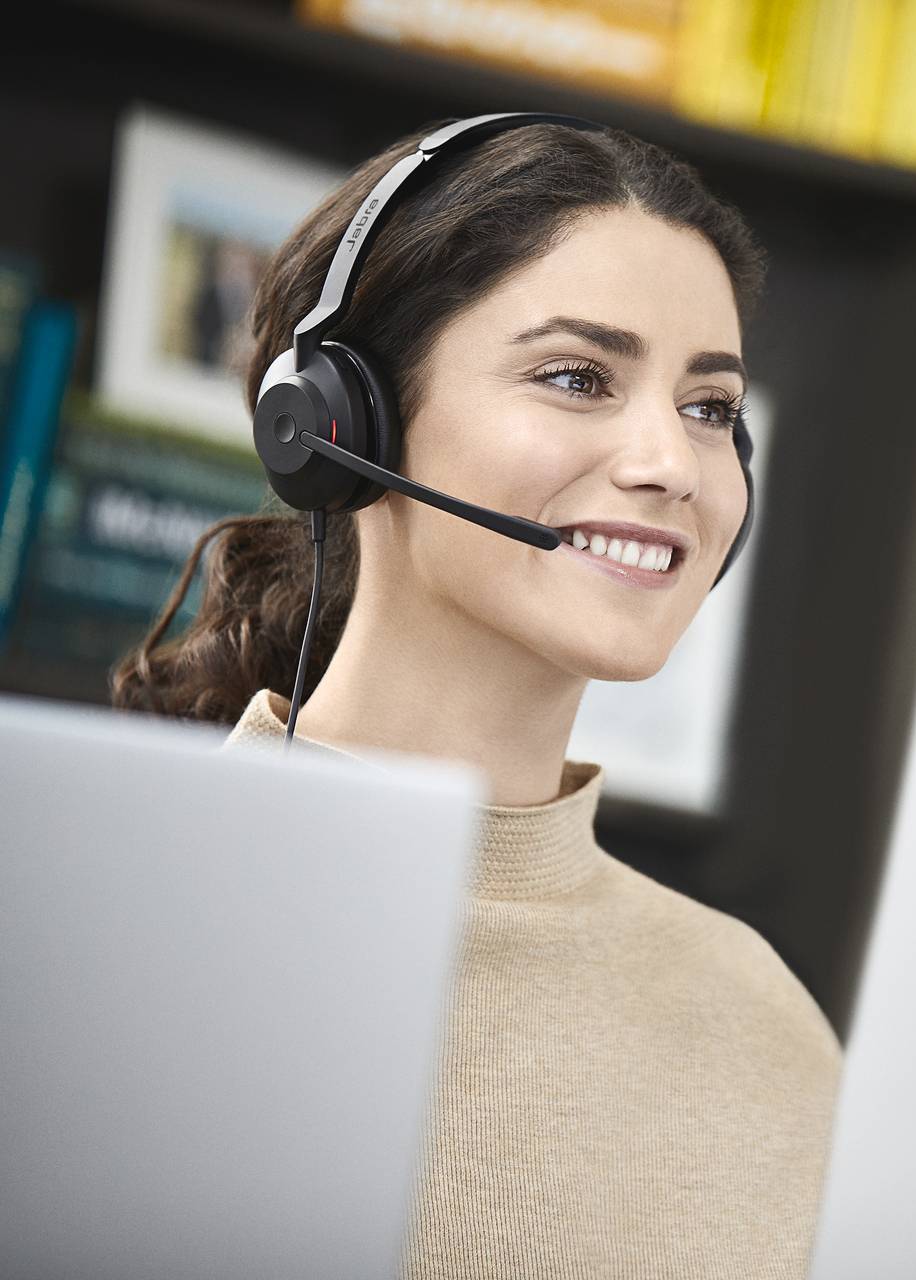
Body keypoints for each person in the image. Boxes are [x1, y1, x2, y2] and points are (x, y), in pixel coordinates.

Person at [108, 118, 841, 1278]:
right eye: (575, 376)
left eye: (710, 407)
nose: (671, 462)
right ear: (341, 425)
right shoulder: (92, 911)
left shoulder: (765, 1027)